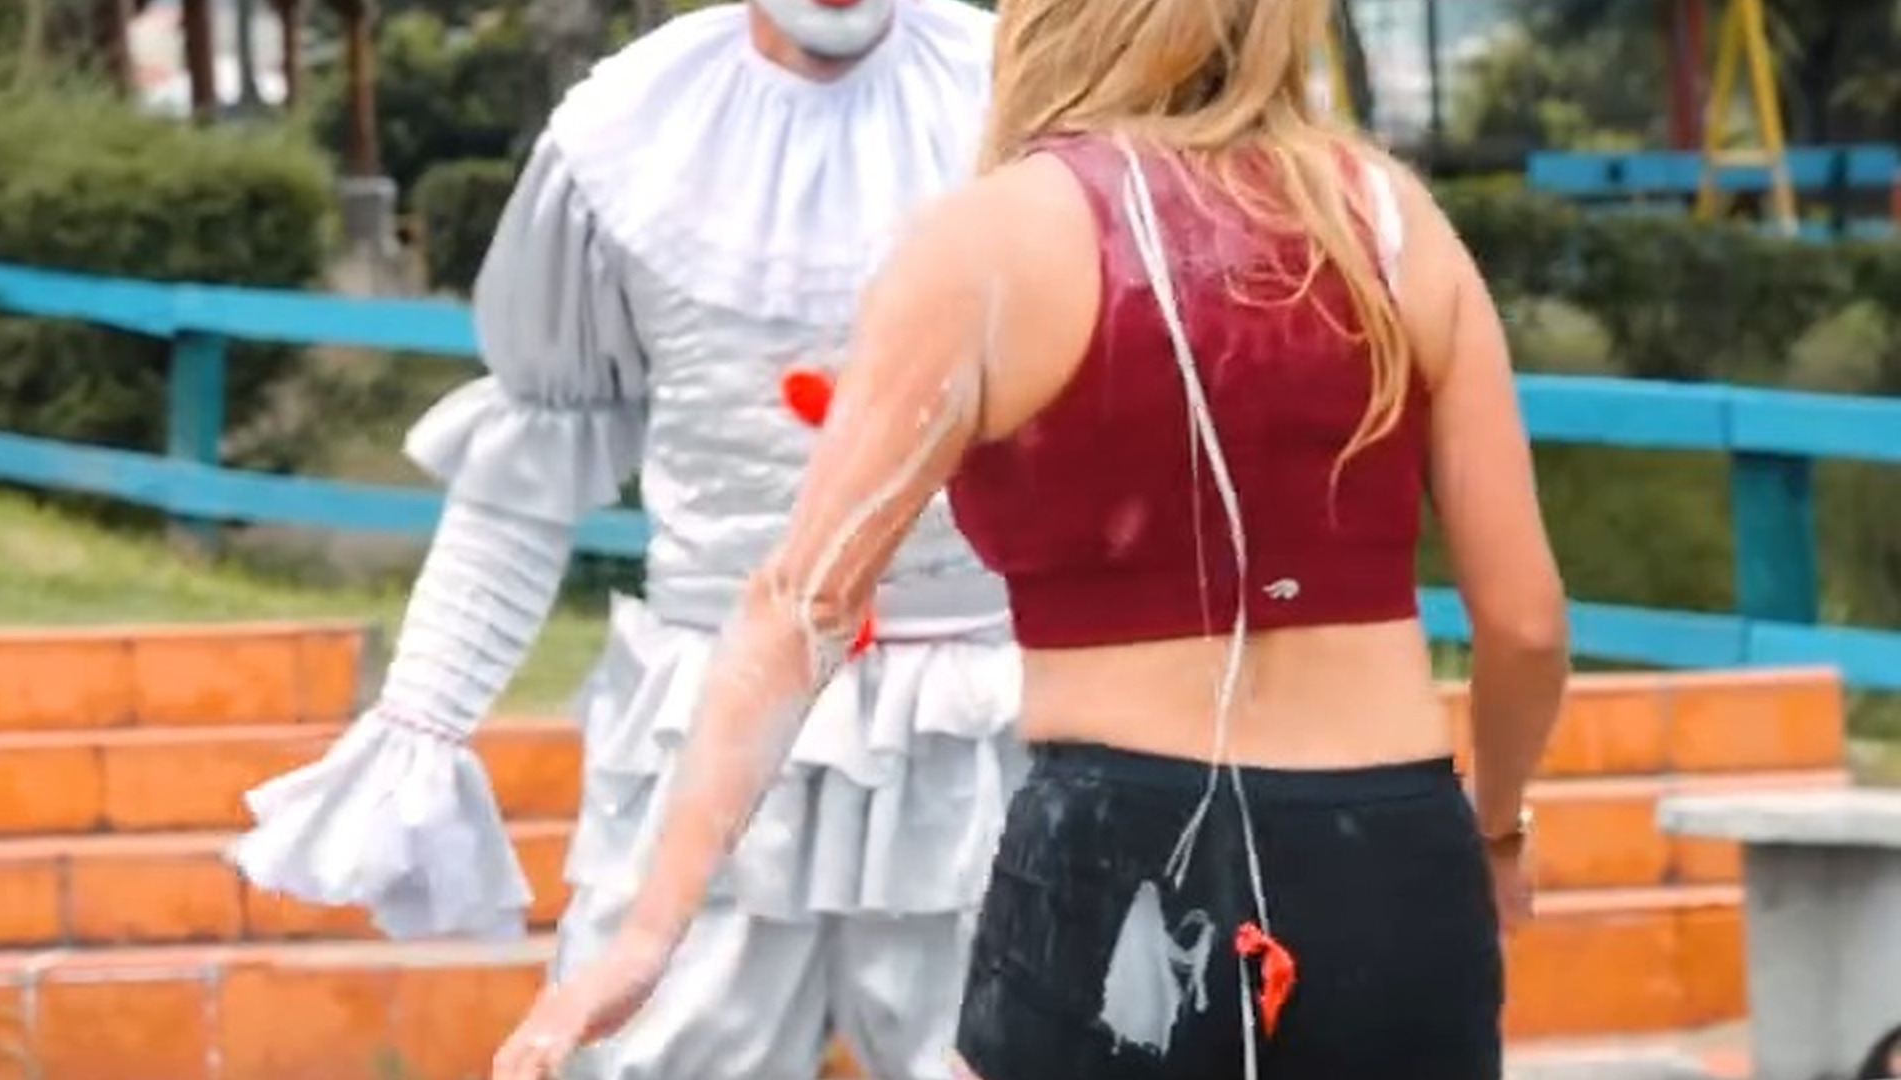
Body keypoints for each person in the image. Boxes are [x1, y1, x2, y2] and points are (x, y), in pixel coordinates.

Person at [487, 0, 1572, 1075]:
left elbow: (802, 606)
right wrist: (1496, 829)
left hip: (1124, 851)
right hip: (1395, 852)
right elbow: (1524, 625)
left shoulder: (993, 243)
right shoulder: (1389, 222)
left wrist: (647, 935)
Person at [229, 2, 1025, 1080]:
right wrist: (424, 717)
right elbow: (531, 460)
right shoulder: (624, 135)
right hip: (706, 725)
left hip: (977, 730)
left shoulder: (1020, 103)